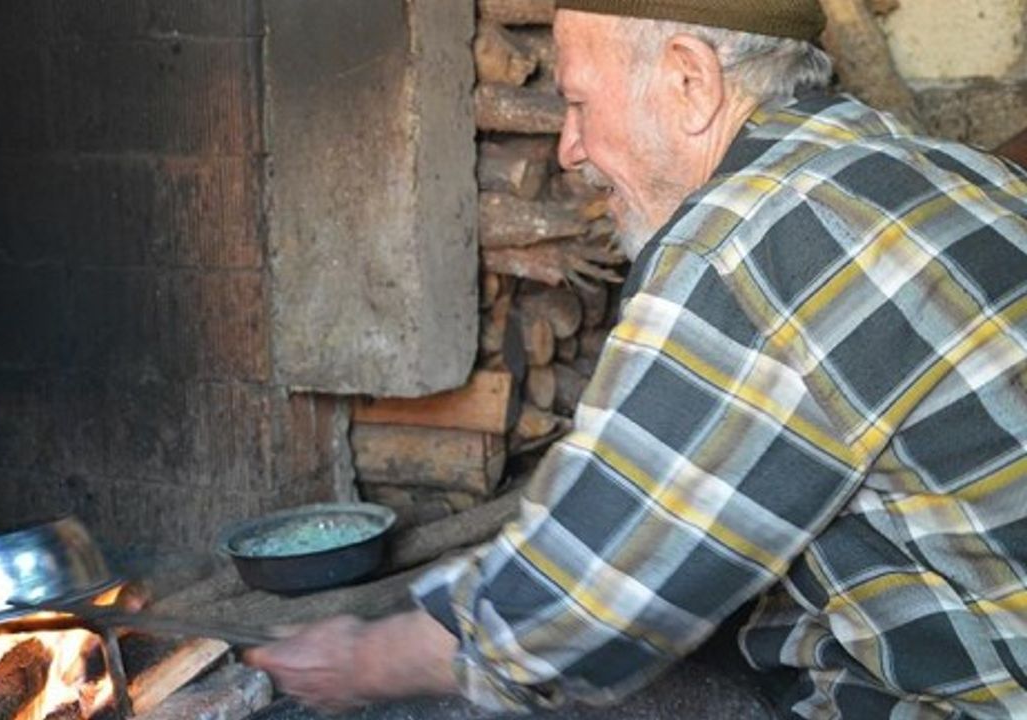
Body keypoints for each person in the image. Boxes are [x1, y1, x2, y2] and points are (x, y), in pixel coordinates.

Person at [246, 1, 1027, 717]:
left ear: (690, 80)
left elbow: (580, 603)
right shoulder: (914, 159)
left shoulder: (747, 243)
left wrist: (364, 659)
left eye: (580, 103)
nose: (570, 149)